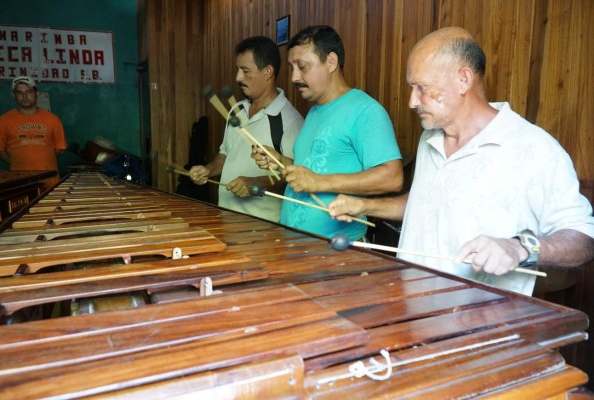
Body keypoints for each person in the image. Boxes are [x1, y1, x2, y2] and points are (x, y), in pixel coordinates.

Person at [328, 27, 594, 295]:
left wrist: (520, 247)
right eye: (411, 88)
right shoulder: (430, 138)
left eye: (422, 88)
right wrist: (364, 205)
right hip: (411, 310)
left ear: (463, 80)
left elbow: (583, 238)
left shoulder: (534, 148)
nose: (411, 101)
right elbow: (426, 203)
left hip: (482, 326)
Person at [253, 25, 404, 240]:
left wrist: (320, 182)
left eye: (302, 66)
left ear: (331, 61)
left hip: (338, 253)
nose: (295, 77)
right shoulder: (315, 111)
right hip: (294, 247)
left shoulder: (365, 111)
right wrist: (280, 160)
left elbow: (393, 177)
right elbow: (313, 169)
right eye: (292, 67)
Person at [189, 36, 303, 222]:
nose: (238, 77)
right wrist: (208, 170)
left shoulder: (290, 121)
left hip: (263, 228)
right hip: (226, 218)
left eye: (245, 71)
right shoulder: (236, 109)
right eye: (238, 70)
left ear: (268, 72)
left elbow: (293, 178)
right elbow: (225, 154)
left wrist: (254, 183)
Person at [0, 76, 67, 190]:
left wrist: (44, 161)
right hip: (20, 184)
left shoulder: (53, 119)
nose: (24, 96)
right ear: (14, 95)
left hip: (50, 183)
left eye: (28, 92)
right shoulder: (3, 121)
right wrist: (17, 162)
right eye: (19, 93)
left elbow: (59, 149)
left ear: (36, 93)